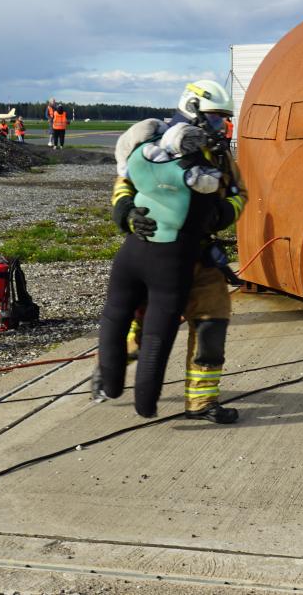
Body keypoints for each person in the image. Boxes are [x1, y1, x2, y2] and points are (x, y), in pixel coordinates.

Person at [95, 80, 247, 424]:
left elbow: (240, 193)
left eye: (223, 120)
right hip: (157, 254)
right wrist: (128, 216)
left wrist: (223, 213)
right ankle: (108, 368)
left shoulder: (219, 156)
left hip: (201, 257)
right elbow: (125, 184)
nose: (220, 127)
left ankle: (202, 402)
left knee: (212, 326)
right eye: (215, 118)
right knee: (140, 326)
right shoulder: (154, 143)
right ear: (193, 111)